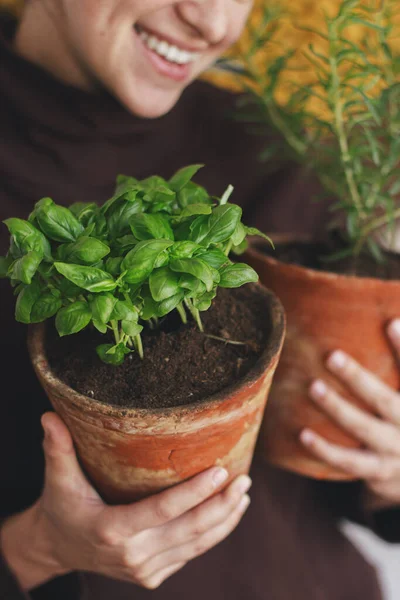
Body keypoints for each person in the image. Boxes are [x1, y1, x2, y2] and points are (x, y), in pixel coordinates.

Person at [0, 1, 399, 599]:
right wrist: (39, 548)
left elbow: (336, 485)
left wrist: (387, 467)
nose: (214, 24)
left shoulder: (278, 150)